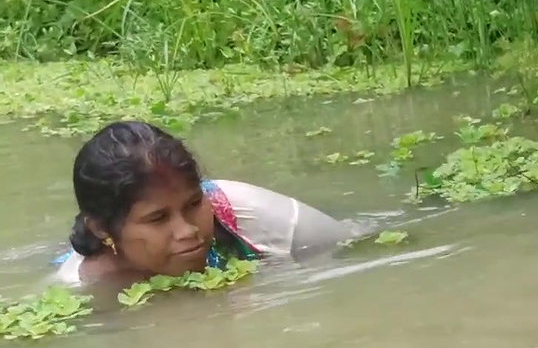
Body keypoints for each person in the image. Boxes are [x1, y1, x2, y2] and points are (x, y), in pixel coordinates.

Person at [55, 121, 360, 287]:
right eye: (158, 218)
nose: (187, 230)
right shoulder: (81, 285)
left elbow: (352, 248)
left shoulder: (248, 211)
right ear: (101, 229)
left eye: (193, 204)